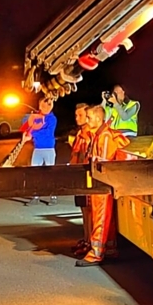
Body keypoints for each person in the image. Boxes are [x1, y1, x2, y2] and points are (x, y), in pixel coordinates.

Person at [77, 105, 130, 267]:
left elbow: (103, 162)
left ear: (99, 119)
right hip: (101, 183)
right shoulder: (99, 134)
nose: (87, 120)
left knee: (100, 217)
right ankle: (110, 248)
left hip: (102, 183)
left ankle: (96, 253)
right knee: (106, 217)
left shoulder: (105, 136)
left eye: (89, 117)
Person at [20, 96, 58, 205]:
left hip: (48, 149)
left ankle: (53, 196)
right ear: (40, 106)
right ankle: (35, 196)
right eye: (44, 105)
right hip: (37, 149)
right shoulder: (36, 117)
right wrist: (27, 133)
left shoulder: (52, 118)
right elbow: (28, 126)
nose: (46, 107)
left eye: (49, 105)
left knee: (50, 173)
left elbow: (46, 132)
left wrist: (31, 133)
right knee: (34, 173)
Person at [68, 103, 94, 258]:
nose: (77, 118)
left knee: (88, 211)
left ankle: (90, 241)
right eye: (76, 115)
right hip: (77, 175)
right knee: (83, 210)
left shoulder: (89, 134)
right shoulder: (80, 133)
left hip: (85, 176)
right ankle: (85, 239)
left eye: (80, 115)